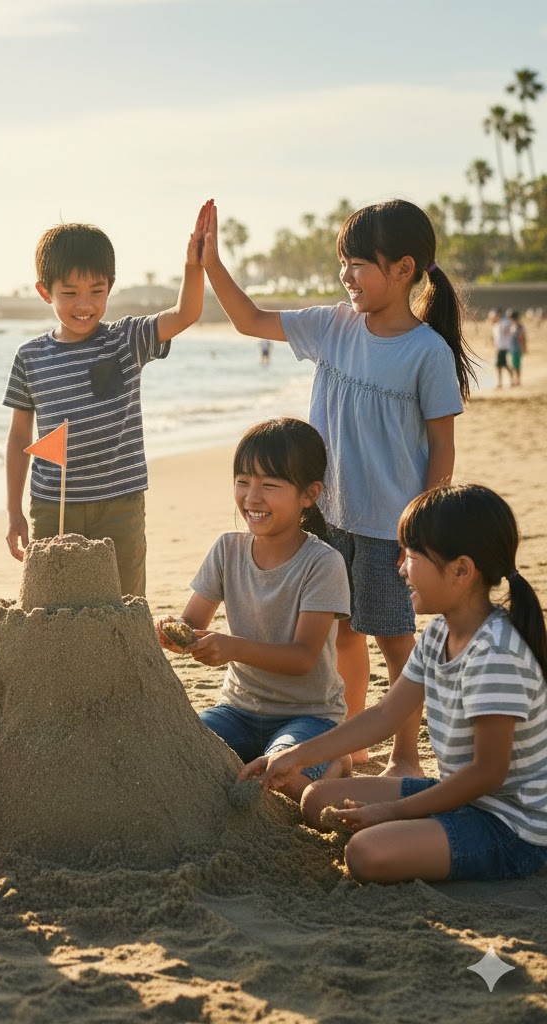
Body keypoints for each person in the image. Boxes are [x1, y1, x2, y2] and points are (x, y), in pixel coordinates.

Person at [200, 197, 478, 778]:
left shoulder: (425, 351)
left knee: (396, 642)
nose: (346, 276)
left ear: (403, 270)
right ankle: (350, 743)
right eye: (343, 263)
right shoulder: (332, 325)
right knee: (345, 634)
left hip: (389, 525)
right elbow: (250, 320)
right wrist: (211, 264)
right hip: (326, 516)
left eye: (359, 264)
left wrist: (421, 530)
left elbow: (442, 448)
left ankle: (403, 753)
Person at [241, 484, 547, 884]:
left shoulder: (496, 655)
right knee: (316, 798)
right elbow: (386, 714)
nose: (400, 567)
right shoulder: (440, 633)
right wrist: (296, 757)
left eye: (412, 556)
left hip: (510, 825)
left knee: (366, 854)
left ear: (461, 570)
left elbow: (488, 773)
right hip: (461, 794)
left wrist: (396, 812)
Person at [4, 208, 209, 597]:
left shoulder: (125, 340)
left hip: (120, 503)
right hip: (53, 505)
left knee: (124, 605)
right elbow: (18, 438)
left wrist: (192, 266)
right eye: (69, 293)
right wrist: (14, 512)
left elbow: (187, 314)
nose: (84, 304)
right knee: (50, 606)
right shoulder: (29, 356)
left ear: (110, 287)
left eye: (96, 291)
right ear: (44, 291)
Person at [156, 418, 351, 799]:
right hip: (237, 710)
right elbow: (192, 624)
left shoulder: (322, 564)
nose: (252, 497)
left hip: (308, 715)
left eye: (270, 485)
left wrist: (233, 647)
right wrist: (172, 633)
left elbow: (303, 658)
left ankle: (335, 760)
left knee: (280, 781)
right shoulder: (227, 550)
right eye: (243, 481)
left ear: (309, 494)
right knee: (178, 759)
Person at [494, 308, 517, 387]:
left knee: (499, 365)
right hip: (500, 347)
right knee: (502, 365)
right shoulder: (498, 323)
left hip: (503, 347)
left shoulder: (504, 322)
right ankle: (510, 380)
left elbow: (507, 331)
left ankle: (502, 382)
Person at [510, 308, 527, 386]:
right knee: (514, 365)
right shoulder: (513, 326)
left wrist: (523, 348)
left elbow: (522, 338)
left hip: (517, 348)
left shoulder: (519, 326)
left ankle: (517, 380)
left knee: (516, 366)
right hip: (513, 348)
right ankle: (515, 380)